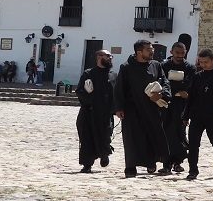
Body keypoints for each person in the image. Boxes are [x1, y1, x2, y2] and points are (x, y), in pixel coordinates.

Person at [114, 39, 170, 177]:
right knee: (132, 138)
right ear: (139, 52)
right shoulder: (126, 67)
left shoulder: (156, 65)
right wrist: (119, 107)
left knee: (152, 135)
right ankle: (130, 166)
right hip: (132, 109)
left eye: (152, 49)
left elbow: (164, 81)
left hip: (151, 108)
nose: (152, 51)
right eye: (148, 49)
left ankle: (151, 162)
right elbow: (119, 88)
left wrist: (161, 94)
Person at [183, 48, 213, 180]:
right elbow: (191, 97)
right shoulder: (197, 76)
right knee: (193, 144)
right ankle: (193, 170)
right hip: (197, 115)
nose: (203, 65)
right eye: (201, 62)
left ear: (212, 60)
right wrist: (185, 115)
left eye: (206, 62)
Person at [76, 49, 115, 172]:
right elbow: (80, 91)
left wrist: (117, 108)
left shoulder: (113, 75)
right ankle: (87, 164)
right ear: (99, 57)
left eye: (110, 56)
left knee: (104, 136)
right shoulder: (88, 73)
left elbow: (117, 92)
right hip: (89, 112)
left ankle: (104, 154)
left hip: (105, 113)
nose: (110, 58)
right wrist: (90, 99)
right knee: (86, 137)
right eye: (107, 56)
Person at [160, 41, 194, 173]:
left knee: (180, 132)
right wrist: (176, 91)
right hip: (166, 104)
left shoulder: (190, 68)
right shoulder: (164, 66)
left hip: (182, 106)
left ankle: (178, 162)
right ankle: (166, 163)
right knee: (166, 132)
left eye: (182, 53)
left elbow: (188, 84)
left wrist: (176, 88)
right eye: (177, 53)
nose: (180, 55)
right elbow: (163, 82)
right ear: (171, 52)